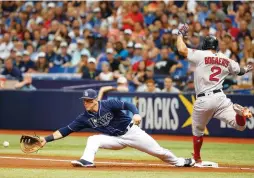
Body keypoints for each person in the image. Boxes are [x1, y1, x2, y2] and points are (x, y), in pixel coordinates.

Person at [40, 88, 195, 167]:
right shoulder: (84, 118)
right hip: (115, 140)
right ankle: (87, 161)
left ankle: (181, 162)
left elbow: (128, 104)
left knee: (158, 152)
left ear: (95, 100)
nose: (85, 103)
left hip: (132, 132)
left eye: (88, 100)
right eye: (84, 100)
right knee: (93, 139)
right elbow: (66, 130)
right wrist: (46, 140)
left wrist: (136, 114)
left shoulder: (107, 104)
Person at [176, 23, 253, 165]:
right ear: (216, 46)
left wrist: (180, 34)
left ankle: (197, 157)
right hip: (220, 98)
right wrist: (247, 69)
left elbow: (181, 49)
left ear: (205, 45)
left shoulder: (201, 54)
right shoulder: (226, 58)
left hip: (204, 99)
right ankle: (239, 112)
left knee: (198, 131)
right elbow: (240, 71)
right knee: (240, 126)